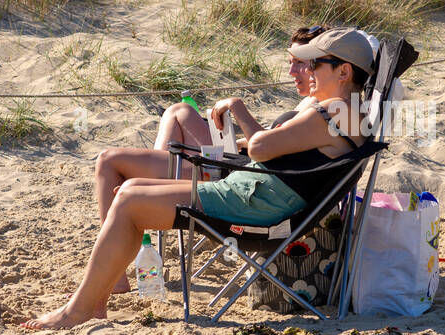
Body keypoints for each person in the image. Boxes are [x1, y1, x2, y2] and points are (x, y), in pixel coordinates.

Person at [20, 27, 376, 330]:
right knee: (130, 189)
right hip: (254, 193)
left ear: (343, 72)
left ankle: (78, 310)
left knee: (129, 200)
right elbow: (279, 150)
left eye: (317, 63)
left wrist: (237, 106)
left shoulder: (332, 110)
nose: (310, 69)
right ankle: (95, 302)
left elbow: (261, 149)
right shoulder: (348, 112)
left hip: (260, 207)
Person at [96, 25, 325, 294]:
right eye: (290, 62)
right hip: (239, 166)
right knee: (179, 110)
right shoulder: (312, 106)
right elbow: (275, 146)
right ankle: (154, 181)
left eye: (300, 63)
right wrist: (236, 141)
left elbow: (265, 150)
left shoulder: (321, 112)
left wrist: (236, 106)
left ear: (320, 66)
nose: (292, 72)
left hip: (232, 179)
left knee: (108, 161)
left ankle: (117, 270)